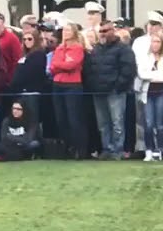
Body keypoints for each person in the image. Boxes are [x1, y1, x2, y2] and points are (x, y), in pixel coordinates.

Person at [85, 20, 137, 160]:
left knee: (117, 122)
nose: (102, 34)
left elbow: (128, 69)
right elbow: (89, 69)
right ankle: (106, 149)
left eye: (105, 31)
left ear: (112, 31)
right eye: (100, 31)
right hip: (98, 91)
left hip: (115, 91)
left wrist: (118, 86)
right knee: (103, 124)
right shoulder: (95, 49)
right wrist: (92, 85)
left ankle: (118, 150)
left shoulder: (123, 49)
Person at [50, 22, 88, 159]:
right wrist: (62, 65)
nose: (65, 32)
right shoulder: (59, 48)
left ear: (74, 32)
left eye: (68, 30)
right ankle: (67, 147)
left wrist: (61, 65)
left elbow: (72, 65)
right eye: (64, 30)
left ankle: (80, 149)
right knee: (61, 118)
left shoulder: (77, 48)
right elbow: (52, 66)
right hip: (58, 84)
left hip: (72, 85)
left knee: (74, 118)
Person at [138, 33, 163, 162]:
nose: (155, 44)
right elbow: (142, 73)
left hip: (161, 92)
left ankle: (160, 150)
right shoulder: (146, 57)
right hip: (148, 93)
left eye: (158, 41)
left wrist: (153, 74)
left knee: (160, 124)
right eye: (153, 41)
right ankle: (149, 150)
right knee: (148, 123)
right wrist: (156, 75)